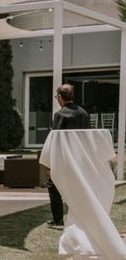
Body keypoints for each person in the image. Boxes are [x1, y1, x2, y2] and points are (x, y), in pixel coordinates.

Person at [46, 84, 90, 227]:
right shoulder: (83, 113)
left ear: (59, 97)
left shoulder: (60, 115)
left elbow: (57, 140)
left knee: (53, 185)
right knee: (78, 187)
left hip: (65, 158)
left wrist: (51, 164)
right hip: (81, 157)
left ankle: (58, 219)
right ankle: (79, 217)